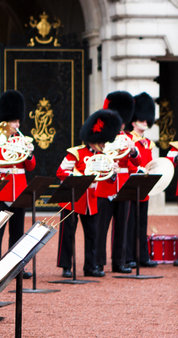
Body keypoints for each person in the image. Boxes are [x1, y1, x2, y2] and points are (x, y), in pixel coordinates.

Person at [56, 109, 122, 278]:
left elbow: (108, 180)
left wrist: (113, 173)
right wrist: (79, 178)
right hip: (72, 197)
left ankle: (90, 266)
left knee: (92, 234)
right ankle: (66, 266)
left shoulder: (103, 156)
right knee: (68, 234)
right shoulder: (76, 153)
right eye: (102, 141)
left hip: (90, 199)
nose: (104, 145)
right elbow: (61, 172)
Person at [0, 90, 36, 268]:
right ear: (5, 122)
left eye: (18, 121)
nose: (17, 124)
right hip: (1, 191)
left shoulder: (21, 141)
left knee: (18, 232)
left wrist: (29, 153)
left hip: (19, 191)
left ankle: (15, 266)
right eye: (13, 121)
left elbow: (31, 167)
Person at [95, 91, 141, 273]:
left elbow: (136, 162)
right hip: (105, 184)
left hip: (123, 185)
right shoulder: (102, 138)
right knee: (101, 227)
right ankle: (98, 262)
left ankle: (119, 262)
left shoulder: (128, 138)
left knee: (122, 227)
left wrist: (133, 151)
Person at [125, 92, 158, 268]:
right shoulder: (129, 140)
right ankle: (129, 255)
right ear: (134, 119)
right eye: (141, 119)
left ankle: (142, 256)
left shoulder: (148, 143)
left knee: (142, 221)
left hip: (145, 185)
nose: (145, 122)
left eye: (147, 119)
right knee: (130, 223)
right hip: (131, 183)